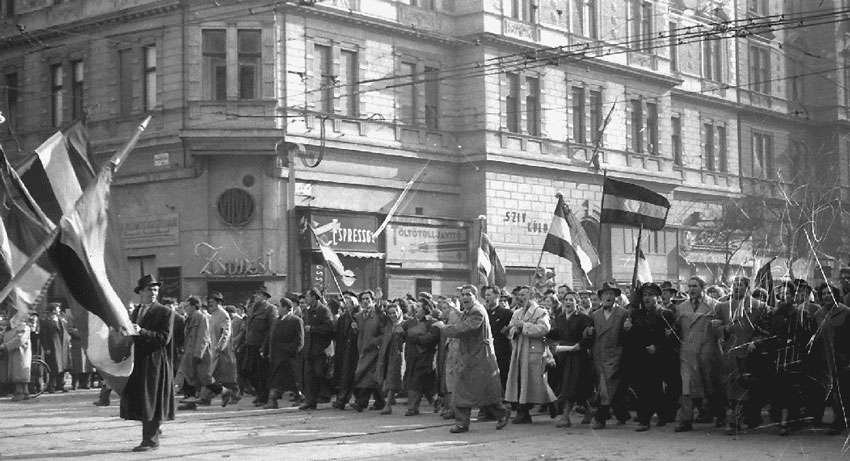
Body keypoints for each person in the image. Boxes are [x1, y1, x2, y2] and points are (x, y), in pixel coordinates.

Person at [432, 285, 509, 433]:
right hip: (472, 357)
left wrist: (443, 327)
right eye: (463, 295)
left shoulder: (477, 311)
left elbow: (465, 328)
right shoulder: (471, 310)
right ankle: (465, 422)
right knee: (470, 390)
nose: (465, 297)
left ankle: (498, 413)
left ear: (475, 296)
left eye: (468, 294)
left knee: (477, 390)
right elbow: (464, 319)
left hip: (479, 358)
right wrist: (456, 311)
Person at [120, 275, 175, 452]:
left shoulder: (165, 312)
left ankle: (150, 441)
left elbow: (164, 339)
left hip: (155, 362)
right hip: (139, 362)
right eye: (150, 289)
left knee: (151, 400)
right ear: (141, 292)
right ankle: (155, 428)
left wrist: (142, 331)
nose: (153, 293)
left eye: (156, 289)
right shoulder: (136, 311)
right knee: (143, 400)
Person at [716, 276, 769, 434]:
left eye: (741, 285)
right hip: (730, 352)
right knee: (733, 386)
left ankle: (750, 418)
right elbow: (716, 328)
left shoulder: (760, 306)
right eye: (735, 285)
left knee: (748, 386)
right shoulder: (723, 307)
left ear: (748, 287)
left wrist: (756, 341)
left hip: (750, 353)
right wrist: (723, 329)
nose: (737, 287)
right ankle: (735, 421)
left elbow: (766, 329)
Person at [674, 276, 723, 432]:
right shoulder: (681, 307)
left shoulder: (715, 306)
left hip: (707, 352)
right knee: (686, 386)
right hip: (687, 353)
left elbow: (721, 331)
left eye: (695, 286)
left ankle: (719, 415)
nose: (691, 289)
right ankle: (686, 420)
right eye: (689, 286)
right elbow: (676, 329)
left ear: (703, 287)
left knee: (711, 386)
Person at [504, 285, 556, 424]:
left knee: (536, 381)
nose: (520, 298)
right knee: (521, 380)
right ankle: (523, 411)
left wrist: (525, 326)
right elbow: (511, 329)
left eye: (523, 295)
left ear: (531, 296)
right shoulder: (517, 313)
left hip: (534, 351)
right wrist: (513, 330)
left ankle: (552, 403)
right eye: (519, 295)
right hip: (519, 350)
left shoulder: (540, 312)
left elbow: (544, 329)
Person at [627, 282, 671, 431]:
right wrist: (628, 328)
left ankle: (653, 417)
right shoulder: (636, 314)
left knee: (655, 388)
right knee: (642, 388)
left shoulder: (665, 314)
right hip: (640, 357)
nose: (647, 298)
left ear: (657, 297)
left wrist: (658, 347)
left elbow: (671, 338)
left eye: (651, 295)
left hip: (658, 357)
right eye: (645, 295)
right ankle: (648, 417)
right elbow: (632, 337)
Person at [586, 282, 630, 429]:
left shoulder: (623, 313)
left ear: (616, 297)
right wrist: (588, 333)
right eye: (605, 294)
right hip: (599, 356)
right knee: (608, 388)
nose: (608, 296)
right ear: (601, 297)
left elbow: (627, 338)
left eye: (611, 294)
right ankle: (622, 414)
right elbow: (588, 336)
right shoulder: (595, 314)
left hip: (616, 356)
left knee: (607, 387)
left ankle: (600, 418)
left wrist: (627, 329)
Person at [547, 288, 592, 428]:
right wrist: (545, 334)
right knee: (572, 386)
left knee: (570, 385)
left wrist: (581, 345)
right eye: (566, 300)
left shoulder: (584, 318)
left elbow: (589, 337)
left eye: (571, 300)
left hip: (578, 357)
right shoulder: (559, 318)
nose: (568, 302)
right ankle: (589, 411)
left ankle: (565, 416)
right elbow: (557, 333)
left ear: (576, 303)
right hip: (563, 355)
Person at [813, 282, 850, 435]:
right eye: (823, 294)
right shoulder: (818, 314)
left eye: (829, 293)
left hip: (843, 358)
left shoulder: (846, 312)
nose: (827, 296)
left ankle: (841, 421)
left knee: (844, 390)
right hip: (825, 358)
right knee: (833, 390)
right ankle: (838, 420)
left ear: (835, 294)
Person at [401, 296, 440, 416]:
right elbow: (400, 333)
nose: (415, 308)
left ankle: (412, 408)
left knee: (417, 381)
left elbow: (431, 338)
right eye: (416, 306)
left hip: (426, 357)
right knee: (424, 383)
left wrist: (414, 338)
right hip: (411, 357)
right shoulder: (409, 322)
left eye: (419, 306)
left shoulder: (433, 322)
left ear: (425, 308)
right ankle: (436, 403)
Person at [241, 286, 278, 407]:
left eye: (259, 294)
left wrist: (266, 346)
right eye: (256, 294)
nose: (256, 296)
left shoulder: (270, 309)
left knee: (262, 373)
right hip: (250, 345)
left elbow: (272, 330)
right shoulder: (252, 308)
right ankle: (258, 393)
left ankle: (263, 397)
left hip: (261, 346)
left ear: (265, 297)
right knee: (248, 370)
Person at [299, 288, 334, 411]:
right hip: (309, 349)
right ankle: (310, 401)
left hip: (320, 350)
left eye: (308, 297)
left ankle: (325, 395)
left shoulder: (323, 310)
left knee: (319, 374)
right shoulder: (307, 311)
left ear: (314, 297)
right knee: (309, 376)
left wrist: (313, 328)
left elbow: (329, 328)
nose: (306, 299)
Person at [351, 290, 386, 412]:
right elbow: (360, 333)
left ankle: (361, 403)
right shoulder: (358, 316)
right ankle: (381, 401)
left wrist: (375, 342)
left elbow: (384, 333)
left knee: (368, 377)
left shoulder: (378, 315)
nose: (365, 301)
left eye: (368, 299)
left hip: (375, 352)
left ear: (372, 300)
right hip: (362, 351)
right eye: (363, 299)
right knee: (367, 377)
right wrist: (355, 329)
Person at [265, 298, 304, 409]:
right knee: (276, 380)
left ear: (286, 308)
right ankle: (273, 401)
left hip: (289, 358)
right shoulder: (277, 321)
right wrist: (266, 349)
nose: (278, 309)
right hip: (276, 357)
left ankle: (300, 397)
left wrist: (290, 351)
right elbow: (271, 337)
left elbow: (299, 341)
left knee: (292, 381)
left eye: (280, 307)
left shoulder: (296, 320)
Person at [177, 296, 212, 411]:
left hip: (197, 354)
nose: (185, 308)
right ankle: (190, 402)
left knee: (203, 379)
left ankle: (225, 392)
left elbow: (204, 336)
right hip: (189, 352)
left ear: (193, 306)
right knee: (190, 378)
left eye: (187, 306)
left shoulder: (201, 317)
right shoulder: (190, 317)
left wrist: (198, 354)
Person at [206, 292, 238, 406]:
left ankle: (232, 394)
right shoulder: (213, 314)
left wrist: (220, 346)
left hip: (221, 351)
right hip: (213, 349)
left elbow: (226, 332)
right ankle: (208, 397)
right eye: (209, 302)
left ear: (218, 302)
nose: (210, 304)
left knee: (224, 376)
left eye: (212, 302)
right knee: (211, 375)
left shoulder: (223, 314)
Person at [332, 292, 360, 410]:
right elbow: (338, 334)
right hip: (343, 350)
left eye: (350, 303)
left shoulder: (358, 316)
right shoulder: (343, 317)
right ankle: (342, 399)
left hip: (354, 351)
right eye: (346, 303)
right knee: (344, 376)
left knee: (351, 376)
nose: (347, 305)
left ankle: (344, 399)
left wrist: (356, 329)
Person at [376, 302, 405, 415]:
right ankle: (390, 398)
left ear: (399, 312)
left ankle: (387, 405)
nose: (392, 315)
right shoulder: (388, 324)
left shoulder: (404, 324)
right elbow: (380, 314)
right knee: (384, 377)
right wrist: (378, 301)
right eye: (390, 313)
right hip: (385, 354)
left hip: (398, 355)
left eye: (394, 312)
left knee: (392, 378)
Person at [482, 285, 512, 393]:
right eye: (485, 295)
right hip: (486, 352)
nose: (486, 297)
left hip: (502, 352)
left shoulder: (506, 313)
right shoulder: (484, 313)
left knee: (503, 376)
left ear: (497, 296)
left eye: (489, 295)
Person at [1, 309, 32, 401]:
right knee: (17, 373)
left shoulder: (24, 327)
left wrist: (5, 346)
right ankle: (24, 393)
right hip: (14, 354)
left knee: (20, 373)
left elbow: (19, 340)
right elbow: (4, 336)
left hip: (21, 354)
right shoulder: (12, 328)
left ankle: (21, 393)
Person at [40, 302, 66, 393]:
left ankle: (61, 384)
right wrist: (46, 347)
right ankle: (51, 386)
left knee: (61, 366)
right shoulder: (46, 321)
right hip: (52, 346)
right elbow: (43, 336)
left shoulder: (59, 320)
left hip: (60, 345)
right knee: (52, 366)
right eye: (58, 308)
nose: (59, 310)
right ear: (53, 310)